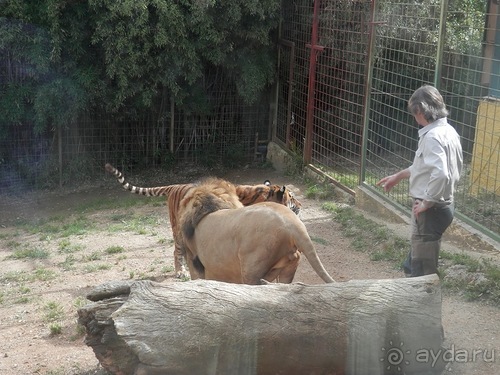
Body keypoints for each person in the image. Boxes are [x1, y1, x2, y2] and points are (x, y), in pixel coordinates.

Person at [376, 85, 463, 277]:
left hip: (431, 210)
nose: (414, 117)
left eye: (414, 112)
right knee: (414, 263)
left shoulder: (432, 137)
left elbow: (440, 174)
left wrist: (427, 202)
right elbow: (425, 168)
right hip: (444, 206)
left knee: (421, 272)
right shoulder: (448, 131)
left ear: (420, 111)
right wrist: (398, 176)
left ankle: (421, 305)